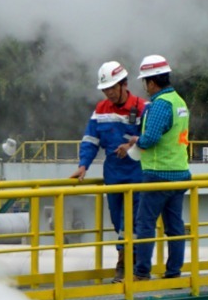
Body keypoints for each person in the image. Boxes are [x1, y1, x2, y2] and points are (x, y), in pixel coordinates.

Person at [113, 55, 192, 280]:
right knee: (175, 226)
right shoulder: (179, 102)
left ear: (151, 82)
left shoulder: (160, 105)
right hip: (179, 173)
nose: (145, 88)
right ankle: (174, 272)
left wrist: (135, 142)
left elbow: (151, 139)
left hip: (158, 175)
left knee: (145, 225)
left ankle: (141, 272)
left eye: (145, 82)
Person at [71, 60, 145, 277]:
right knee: (117, 221)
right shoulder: (100, 110)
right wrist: (83, 165)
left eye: (112, 87)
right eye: (105, 89)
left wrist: (131, 145)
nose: (109, 93)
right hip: (113, 175)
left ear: (124, 84)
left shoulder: (142, 107)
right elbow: (90, 139)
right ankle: (132, 261)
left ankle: (125, 267)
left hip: (137, 174)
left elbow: (151, 138)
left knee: (128, 222)